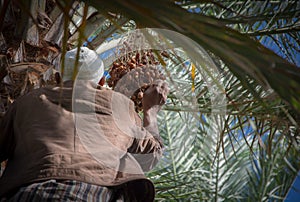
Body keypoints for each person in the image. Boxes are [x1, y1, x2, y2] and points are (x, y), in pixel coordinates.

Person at [0, 47, 169, 201]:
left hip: (29, 193)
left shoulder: (27, 102)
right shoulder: (121, 106)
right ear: (102, 82)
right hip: (92, 194)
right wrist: (150, 111)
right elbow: (151, 156)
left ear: (57, 78)